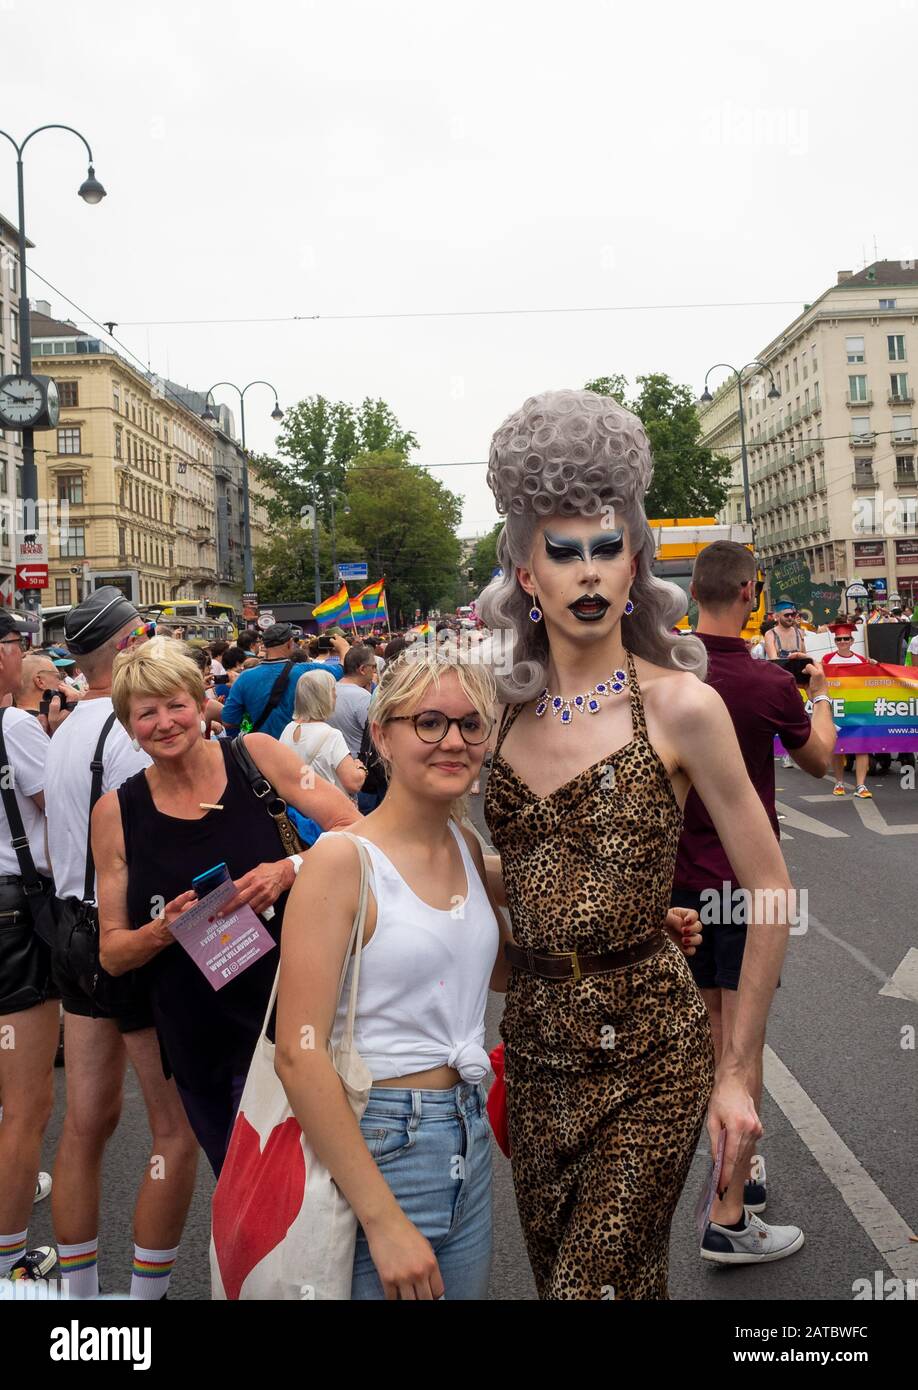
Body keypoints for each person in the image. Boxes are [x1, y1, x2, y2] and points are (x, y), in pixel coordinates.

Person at [477, 388, 795, 1300]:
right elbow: (488, 868)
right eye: (563, 553)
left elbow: (770, 888)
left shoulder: (682, 707)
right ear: (527, 576)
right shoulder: (495, 716)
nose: (588, 573)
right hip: (536, 1050)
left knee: (591, 1288)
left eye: (608, 549)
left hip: (655, 1051)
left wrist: (735, 1074)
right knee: (587, 1285)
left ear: (635, 565)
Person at [275, 652, 508, 1299]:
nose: (454, 741)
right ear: (382, 734)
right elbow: (297, 1056)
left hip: (468, 1137)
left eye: (471, 724)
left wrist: (644, 927)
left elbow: (499, 971)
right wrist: (382, 1220)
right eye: (429, 722)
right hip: (379, 1142)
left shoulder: (463, 845)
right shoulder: (342, 862)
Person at [95, 639, 360, 1175]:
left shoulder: (255, 755)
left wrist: (288, 870)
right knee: (247, 1202)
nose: (166, 723)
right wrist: (164, 930)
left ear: (200, 704)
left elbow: (352, 825)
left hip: (296, 1019)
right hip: (201, 1039)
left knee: (328, 1189)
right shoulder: (115, 813)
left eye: (177, 705)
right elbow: (112, 953)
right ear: (129, 726)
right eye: (146, 713)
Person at [671, 541, 836, 1265]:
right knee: (742, 1048)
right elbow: (821, 758)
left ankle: (741, 1169)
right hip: (741, 885)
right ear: (746, 592)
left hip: (674, 887)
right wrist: (819, 690)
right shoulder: (766, 680)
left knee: (713, 1036)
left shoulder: (664, 675)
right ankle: (730, 1211)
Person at [44, 588, 199, 1301]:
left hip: (69, 930)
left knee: (84, 1125)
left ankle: (78, 1299)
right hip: (130, 936)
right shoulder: (131, 733)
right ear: (132, 642)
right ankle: (143, 1301)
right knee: (172, 1132)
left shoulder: (65, 726)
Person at [0, 612, 58, 1283]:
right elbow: (60, 802)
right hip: (14, 918)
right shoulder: (13, 726)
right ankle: (10, 1255)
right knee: (27, 1105)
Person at [220, 623, 343, 741]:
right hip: (294, 748)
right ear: (290, 644)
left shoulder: (244, 677)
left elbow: (228, 721)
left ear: (264, 645)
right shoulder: (304, 671)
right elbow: (342, 670)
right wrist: (344, 648)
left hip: (257, 750)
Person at [279, 668, 367, 798]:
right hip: (327, 811)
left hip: (299, 808)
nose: (336, 695)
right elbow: (353, 783)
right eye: (332, 691)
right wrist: (361, 768)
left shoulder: (288, 729)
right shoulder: (331, 735)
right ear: (323, 697)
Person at [822, 617, 871, 797]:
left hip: (857, 709)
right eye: (839, 639)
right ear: (835, 641)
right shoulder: (827, 659)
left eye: (846, 638)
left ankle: (861, 786)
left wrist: (873, 666)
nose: (842, 642)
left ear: (852, 641)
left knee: (862, 746)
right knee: (837, 747)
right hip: (836, 709)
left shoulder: (861, 660)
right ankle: (839, 782)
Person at [15, 650, 74, 717]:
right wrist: (75, 706)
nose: (62, 682)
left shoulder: (14, 717)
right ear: (40, 682)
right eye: (59, 676)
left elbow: (42, 708)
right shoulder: (31, 723)